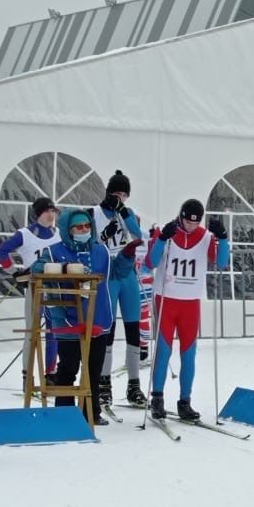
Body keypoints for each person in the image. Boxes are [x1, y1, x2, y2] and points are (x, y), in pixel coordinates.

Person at [144, 199, 230, 421]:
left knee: (189, 354)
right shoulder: (168, 231)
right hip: (166, 299)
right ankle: (157, 398)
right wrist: (162, 239)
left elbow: (221, 263)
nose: (191, 226)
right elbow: (151, 262)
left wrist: (223, 238)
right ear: (180, 216)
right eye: (187, 221)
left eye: (195, 222)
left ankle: (185, 402)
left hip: (190, 302)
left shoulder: (205, 237)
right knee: (163, 351)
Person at [31, 208, 113, 425]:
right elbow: (36, 269)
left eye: (87, 226)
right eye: (78, 227)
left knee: (94, 370)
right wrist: (65, 268)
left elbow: (115, 274)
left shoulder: (101, 250)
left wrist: (128, 255)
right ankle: (64, 414)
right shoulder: (54, 250)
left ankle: (91, 412)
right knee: (68, 368)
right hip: (68, 318)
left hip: (98, 317)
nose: (84, 230)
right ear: (68, 230)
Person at [92, 170, 148, 409]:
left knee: (133, 328)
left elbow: (137, 233)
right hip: (108, 274)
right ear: (108, 193)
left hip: (127, 274)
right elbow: (92, 243)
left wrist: (124, 212)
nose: (120, 198)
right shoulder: (94, 213)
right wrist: (104, 235)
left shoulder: (128, 213)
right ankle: (104, 383)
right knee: (108, 329)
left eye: (124, 195)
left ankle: (134, 384)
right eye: (116, 194)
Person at [0, 197, 63, 385]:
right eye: (47, 211)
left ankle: (51, 373)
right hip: (35, 287)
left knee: (54, 330)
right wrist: (15, 272)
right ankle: (27, 375)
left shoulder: (58, 233)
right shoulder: (25, 233)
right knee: (32, 331)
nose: (51, 215)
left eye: (53, 211)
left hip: (55, 287)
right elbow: (1, 251)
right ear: (38, 213)